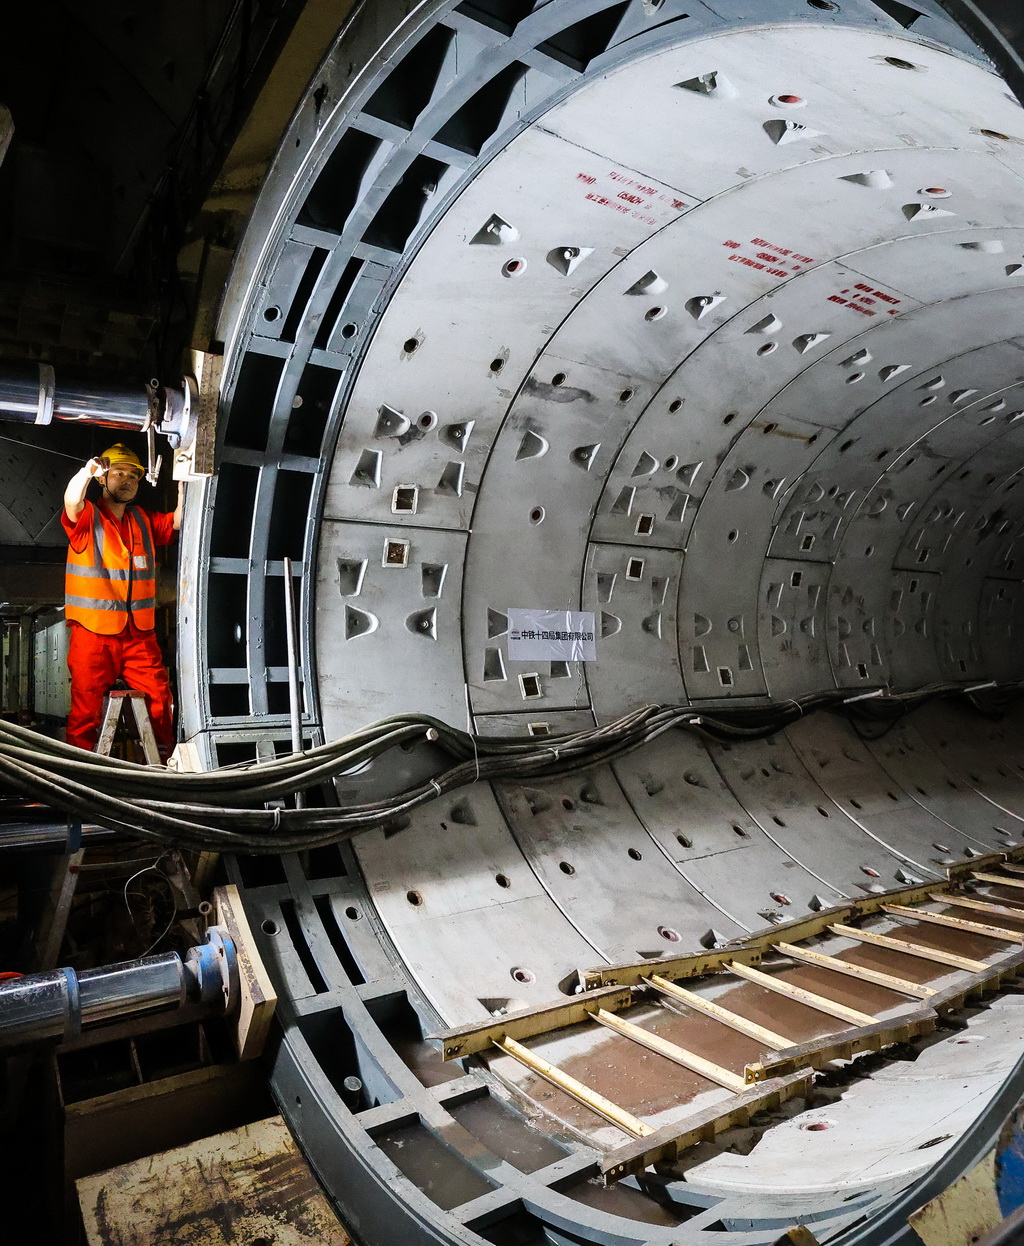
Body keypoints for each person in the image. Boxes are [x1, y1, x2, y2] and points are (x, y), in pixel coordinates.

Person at [62, 444, 184, 759]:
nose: (127, 480)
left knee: (160, 701)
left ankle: (164, 769)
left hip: (139, 635)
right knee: (85, 714)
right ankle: (82, 778)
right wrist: (86, 472)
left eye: (133, 475)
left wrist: (184, 483)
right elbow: (72, 502)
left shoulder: (142, 519)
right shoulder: (88, 518)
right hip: (93, 633)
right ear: (104, 479)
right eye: (118, 473)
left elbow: (179, 522)